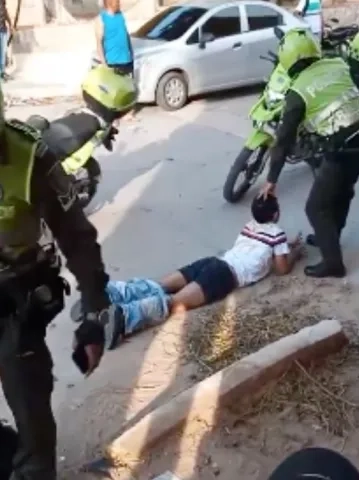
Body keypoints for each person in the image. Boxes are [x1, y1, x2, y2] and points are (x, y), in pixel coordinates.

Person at [0, 65, 134, 478]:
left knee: (33, 422)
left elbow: (77, 238)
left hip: (13, 309)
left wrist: (94, 315)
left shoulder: (28, 158)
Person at [71, 194, 305, 348]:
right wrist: (295, 252)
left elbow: (262, 247)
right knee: (174, 303)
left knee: (161, 285)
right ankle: (124, 316)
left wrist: (285, 247)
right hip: (224, 276)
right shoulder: (277, 234)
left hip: (211, 262)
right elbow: (282, 268)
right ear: (275, 215)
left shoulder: (250, 226)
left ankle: (109, 293)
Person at [257, 28, 359, 278]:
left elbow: (282, 142)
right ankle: (330, 237)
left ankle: (333, 264)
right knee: (342, 190)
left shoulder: (297, 93)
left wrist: (271, 179)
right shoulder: (336, 63)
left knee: (316, 208)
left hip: (344, 147)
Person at [95, 0, 134, 120]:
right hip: (112, 60)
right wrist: (104, 63)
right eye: (116, 2)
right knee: (113, 91)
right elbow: (99, 43)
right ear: (109, 3)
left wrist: (131, 51)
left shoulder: (120, 15)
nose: (119, 3)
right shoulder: (101, 19)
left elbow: (126, 34)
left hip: (126, 58)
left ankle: (128, 113)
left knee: (127, 88)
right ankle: (112, 116)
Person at [0, 0, 13, 80]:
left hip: (3, 29)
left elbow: (5, 11)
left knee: (3, 51)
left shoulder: (2, 2)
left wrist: (10, 24)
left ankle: (2, 72)